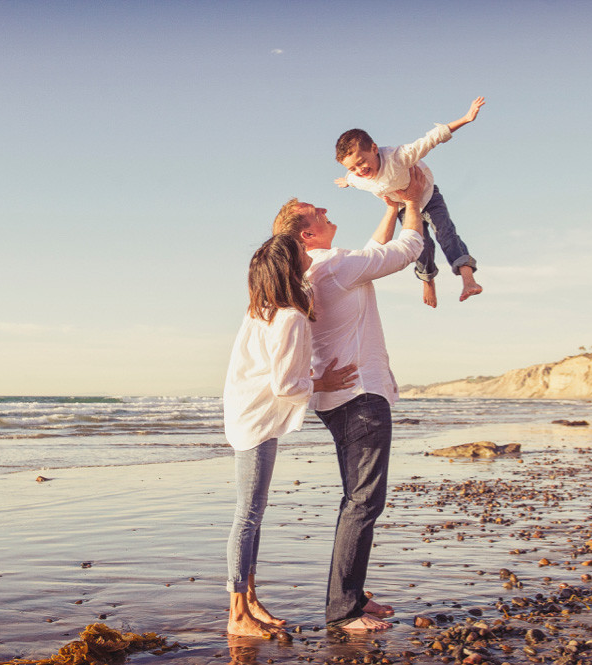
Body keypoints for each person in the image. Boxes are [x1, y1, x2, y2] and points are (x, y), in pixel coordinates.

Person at [271, 167, 428, 632]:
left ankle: (352, 597)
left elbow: (370, 255)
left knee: (357, 499)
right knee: (363, 502)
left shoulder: (324, 267)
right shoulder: (335, 266)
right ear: (308, 233)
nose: (325, 210)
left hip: (342, 397)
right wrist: (414, 204)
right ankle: (343, 611)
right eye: (316, 212)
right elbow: (405, 251)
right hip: (360, 396)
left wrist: (389, 210)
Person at [223, 233, 359, 638]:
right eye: (301, 250)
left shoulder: (260, 310)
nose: (307, 251)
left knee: (253, 512)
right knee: (248, 513)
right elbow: (286, 385)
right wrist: (323, 379)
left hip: (247, 412)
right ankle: (236, 613)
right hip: (257, 420)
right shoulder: (289, 318)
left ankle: (249, 600)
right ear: (290, 267)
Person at [334, 96, 485, 308]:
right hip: (405, 207)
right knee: (420, 247)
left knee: (446, 233)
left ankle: (468, 280)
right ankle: (427, 280)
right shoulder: (357, 178)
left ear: (374, 148)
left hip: (428, 196)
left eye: (362, 162)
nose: (360, 170)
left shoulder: (399, 157)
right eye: (353, 168)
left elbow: (431, 139)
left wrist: (466, 118)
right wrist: (347, 181)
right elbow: (353, 177)